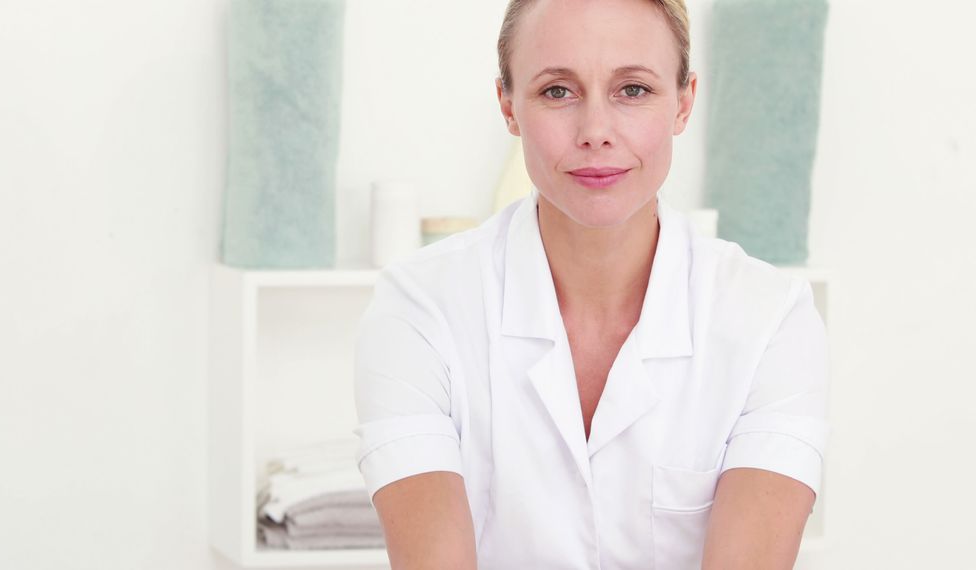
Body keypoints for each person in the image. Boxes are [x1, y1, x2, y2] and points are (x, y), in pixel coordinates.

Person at [352, 0, 829, 568]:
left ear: (684, 101)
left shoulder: (770, 320)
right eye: (558, 90)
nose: (596, 132)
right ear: (508, 105)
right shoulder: (419, 309)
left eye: (633, 90)